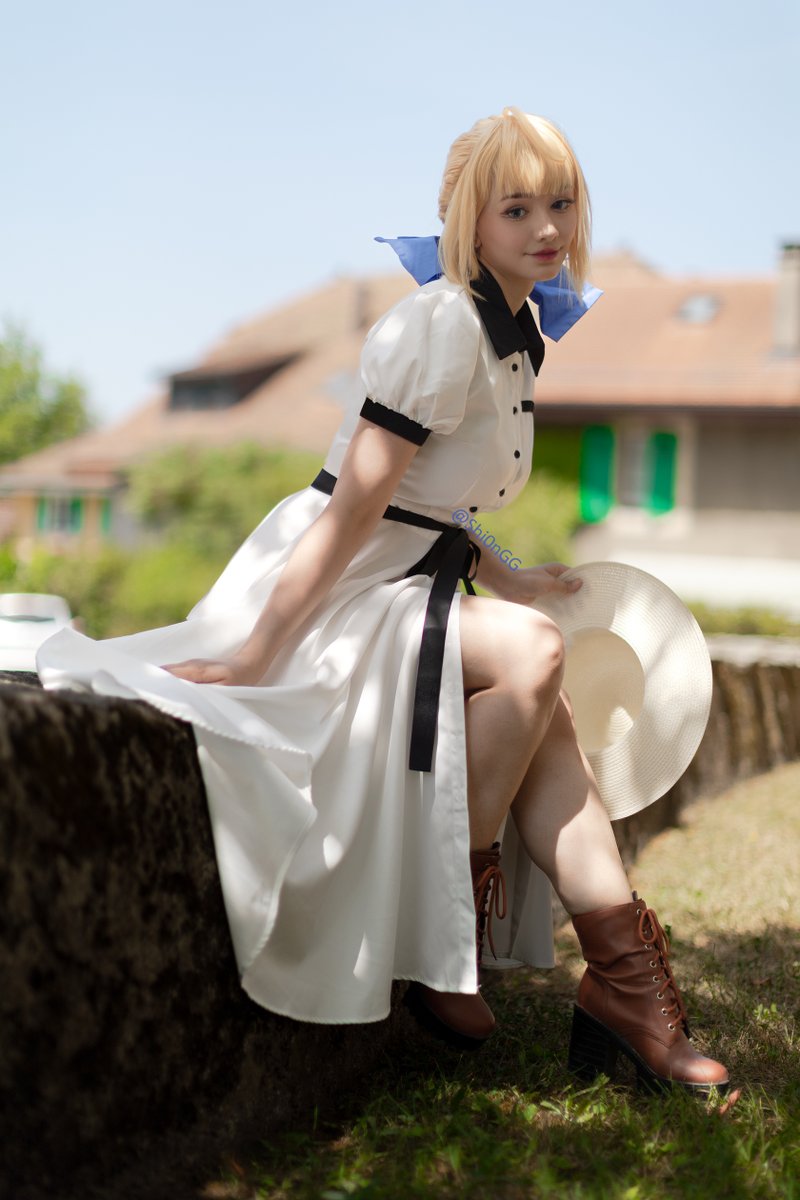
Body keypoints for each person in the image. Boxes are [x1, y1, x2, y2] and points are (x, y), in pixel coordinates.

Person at [38, 107, 729, 1096]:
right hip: (336, 583)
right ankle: (457, 922)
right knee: (535, 652)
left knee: (550, 713)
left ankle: (626, 987)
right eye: (516, 208)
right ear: (466, 219)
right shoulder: (438, 324)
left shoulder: (512, 333)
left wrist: (508, 575)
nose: (545, 227)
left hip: (403, 577)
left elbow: (433, 504)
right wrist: (256, 653)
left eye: (560, 204)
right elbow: (356, 505)